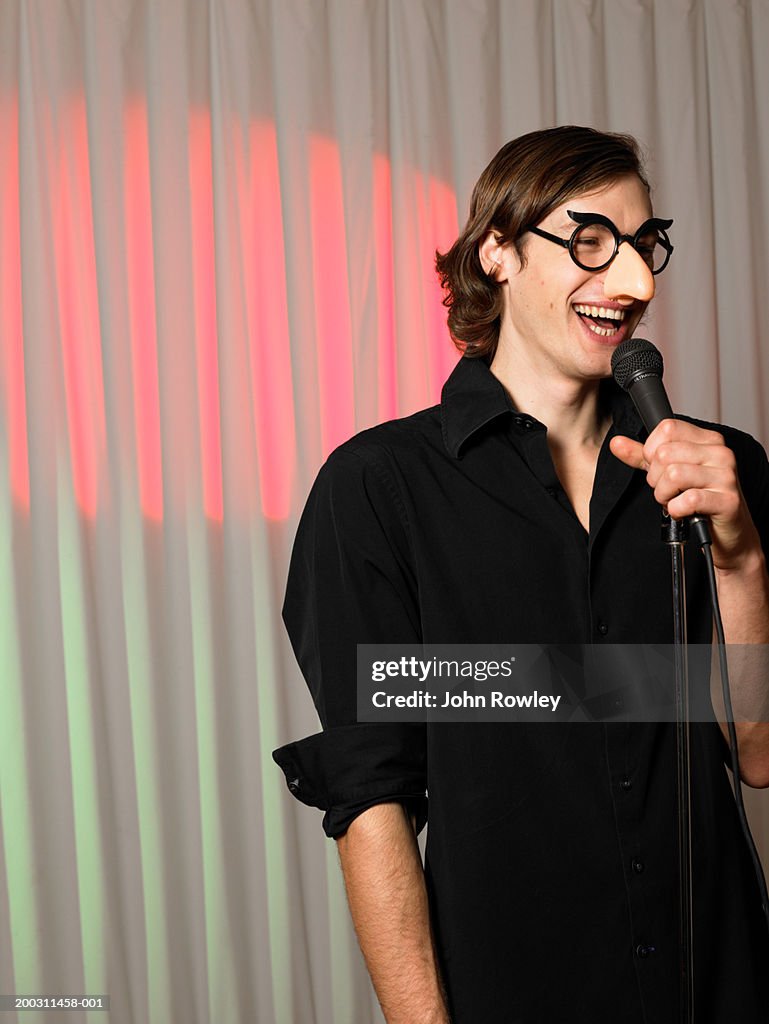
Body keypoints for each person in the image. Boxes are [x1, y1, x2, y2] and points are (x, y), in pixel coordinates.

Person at [273, 126, 769, 1023]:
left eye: (643, 245)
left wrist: (737, 554)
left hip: (722, 985)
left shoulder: (718, 470)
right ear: (495, 251)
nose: (634, 283)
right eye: (589, 241)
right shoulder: (379, 490)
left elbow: (759, 753)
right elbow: (373, 794)